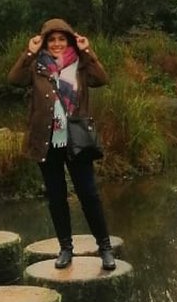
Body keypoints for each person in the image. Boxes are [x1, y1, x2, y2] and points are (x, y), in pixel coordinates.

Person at [8, 17, 116, 270]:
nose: (57, 44)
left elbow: (102, 78)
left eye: (62, 39)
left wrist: (87, 50)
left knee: (89, 194)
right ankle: (66, 249)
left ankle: (105, 248)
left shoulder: (80, 65)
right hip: (47, 141)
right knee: (56, 196)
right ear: (45, 41)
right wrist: (28, 52)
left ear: (69, 40)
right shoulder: (36, 66)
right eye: (52, 39)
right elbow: (13, 79)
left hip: (76, 140)